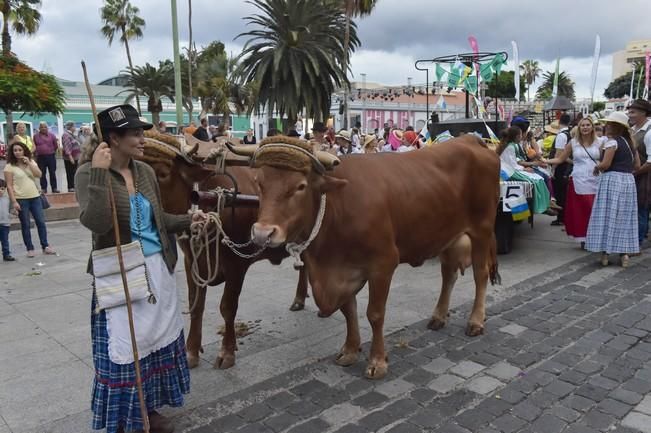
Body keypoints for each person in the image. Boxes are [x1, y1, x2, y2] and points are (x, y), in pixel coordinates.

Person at [75, 104, 206, 433]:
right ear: (113, 139)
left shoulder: (144, 171)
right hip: (119, 270)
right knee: (126, 349)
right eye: (135, 134)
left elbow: (157, 221)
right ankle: (126, 418)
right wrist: (100, 175)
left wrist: (190, 219)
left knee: (155, 343)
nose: (142, 138)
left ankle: (149, 409)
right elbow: (98, 223)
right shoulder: (87, 173)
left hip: (156, 268)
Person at [586, 111, 640, 267]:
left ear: (616, 127)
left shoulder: (612, 142)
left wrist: (597, 167)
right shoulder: (631, 144)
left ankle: (606, 253)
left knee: (608, 215)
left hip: (612, 179)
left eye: (609, 124)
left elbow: (606, 164)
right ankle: (624, 254)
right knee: (624, 217)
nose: (606, 126)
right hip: (628, 181)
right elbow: (636, 166)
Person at [544, 117, 603, 248]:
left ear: (592, 127)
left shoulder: (601, 142)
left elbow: (607, 160)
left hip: (597, 179)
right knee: (583, 210)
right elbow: (560, 159)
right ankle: (583, 238)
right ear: (579, 128)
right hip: (579, 179)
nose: (585, 127)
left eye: (588, 125)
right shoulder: (573, 143)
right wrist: (543, 161)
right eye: (583, 125)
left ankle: (595, 237)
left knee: (595, 210)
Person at [3, 141, 56, 257]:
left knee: (41, 222)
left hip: (35, 196)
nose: (17, 152)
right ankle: (29, 248)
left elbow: (39, 174)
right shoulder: (9, 167)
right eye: (15, 150)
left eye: (19, 150)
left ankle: (45, 245)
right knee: (25, 224)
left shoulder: (31, 162)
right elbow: (9, 186)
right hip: (21, 199)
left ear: (24, 151)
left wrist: (29, 163)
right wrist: (14, 201)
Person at [497, 126, 551, 214]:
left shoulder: (511, 145)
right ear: (518, 136)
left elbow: (515, 162)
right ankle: (540, 206)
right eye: (521, 135)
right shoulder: (511, 146)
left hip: (511, 170)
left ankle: (545, 204)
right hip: (509, 172)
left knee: (538, 178)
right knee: (536, 180)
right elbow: (513, 165)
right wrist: (525, 169)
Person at [627, 99, 651, 246]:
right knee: (637, 208)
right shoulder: (633, 129)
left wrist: (635, 173)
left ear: (643, 113)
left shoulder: (649, 132)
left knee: (641, 208)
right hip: (634, 173)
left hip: (645, 174)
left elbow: (650, 162)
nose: (630, 114)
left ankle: (638, 242)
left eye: (633, 112)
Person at [550, 114, 573, 225]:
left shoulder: (561, 136)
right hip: (567, 167)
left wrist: (553, 168)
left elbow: (558, 154)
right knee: (564, 192)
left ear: (559, 122)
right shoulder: (570, 134)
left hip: (560, 167)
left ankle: (561, 218)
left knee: (559, 193)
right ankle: (564, 217)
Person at [33, 122, 60, 193]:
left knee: (52, 173)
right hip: (40, 157)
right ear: (39, 128)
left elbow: (56, 146)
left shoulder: (52, 135)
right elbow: (34, 146)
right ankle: (44, 188)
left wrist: (50, 151)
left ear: (47, 128)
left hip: (51, 156)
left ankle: (54, 188)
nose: (43, 128)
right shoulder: (35, 136)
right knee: (42, 173)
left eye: (45, 127)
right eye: (41, 127)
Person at [62, 121, 82, 192]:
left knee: (75, 172)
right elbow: (67, 146)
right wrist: (70, 157)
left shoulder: (73, 134)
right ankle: (71, 187)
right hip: (70, 158)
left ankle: (74, 186)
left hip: (76, 157)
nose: (75, 128)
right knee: (70, 172)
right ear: (70, 127)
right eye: (74, 126)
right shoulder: (66, 135)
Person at [0, 178, 15, 261]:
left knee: (5, 240)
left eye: (2, 189)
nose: (0, 191)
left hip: (5, 224)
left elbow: (10, 210)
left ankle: (6, 254)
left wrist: (13, 213)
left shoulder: (7, 199)